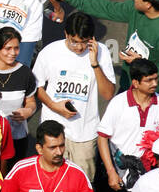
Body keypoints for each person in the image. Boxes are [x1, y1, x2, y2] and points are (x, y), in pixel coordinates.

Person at [53, 0, 159, 115]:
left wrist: (139, 63)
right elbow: (106, 8)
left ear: (148, 4)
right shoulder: (137, 10)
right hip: (130, 91)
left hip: (154, 104)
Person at [33, 12, 117, 178]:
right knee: (51, 179)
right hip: (53, 131)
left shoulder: (102, 53)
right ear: (66, 34)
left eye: (84, 42)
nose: (79, 47)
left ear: (91, 38)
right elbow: (37, 86)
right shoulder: (49, 52)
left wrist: (94, 64)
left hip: (85, 134)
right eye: (74, 42)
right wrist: (54, 106)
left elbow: (108, 94)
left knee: (83, 184)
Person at [96, 59, 159, 192]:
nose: (155, 84)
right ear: (135, 83)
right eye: (149, 80)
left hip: (147, 174)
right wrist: (111, 173)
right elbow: (102, 138)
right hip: (119, 173)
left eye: (156, 79)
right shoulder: (118, 103)